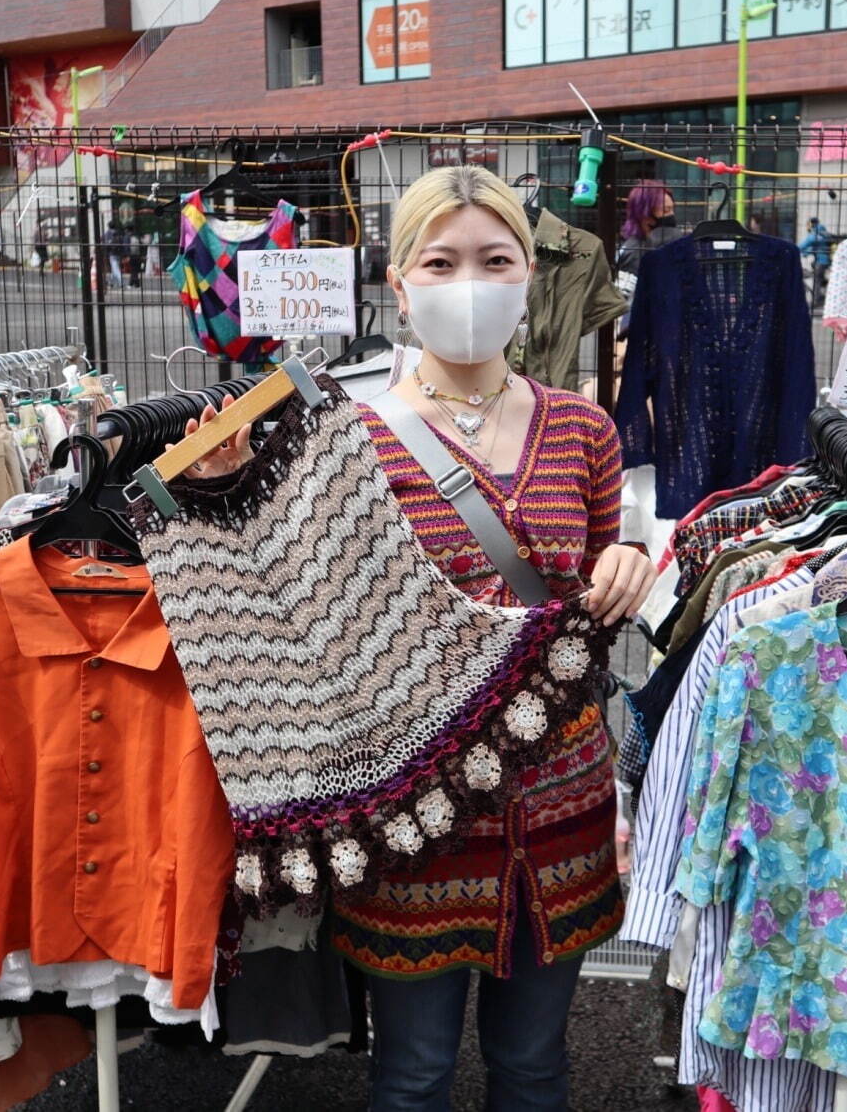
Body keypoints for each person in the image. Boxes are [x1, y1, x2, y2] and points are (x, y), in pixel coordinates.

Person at [177, 165, 654, 1112]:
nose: (469, 281)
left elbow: (602, 583)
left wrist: (629, 563)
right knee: (412, 1077)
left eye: (494, 258)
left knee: (534, 1069)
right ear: (400, 284)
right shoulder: (345, 437)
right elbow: (291, 623)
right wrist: (220, 500)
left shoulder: (583, 431)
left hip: (560, 809)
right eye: (441, 261)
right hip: (412, 826)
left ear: (529, 277)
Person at [615, 180, 681, 341]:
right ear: (645, 214)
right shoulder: (635, 251)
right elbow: (621, 302)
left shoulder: (650, 245)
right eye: (665, 210)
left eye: (672, 209)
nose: (671, 216)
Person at [799, 215, 833, 310]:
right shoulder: (823, 233)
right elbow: (815, 247)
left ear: (811, 224)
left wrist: (794, 250)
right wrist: (805, 253)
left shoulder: (815, 234)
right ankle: (823, 295)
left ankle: (817, 300)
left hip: (821, 261)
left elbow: (805, 244)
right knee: (820, 279)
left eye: (808, 225)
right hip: (825, 260)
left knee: (817, 280)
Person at [104, 218, 125, 287]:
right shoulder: (118, 232)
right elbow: (122, 242)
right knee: (114, 268)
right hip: (118, 252)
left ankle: (121, 282)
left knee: (115, 268)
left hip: (112, 253)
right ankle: (111, 282)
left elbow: (106, 243)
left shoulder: (108, 233)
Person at [128, 224, 145, 289]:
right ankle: (134, 283)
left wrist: (127, 255)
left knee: (133, 270)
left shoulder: (129, 237)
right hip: (138, 255)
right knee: (135, 270)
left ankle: (135, 284)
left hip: (132, 255)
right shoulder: (137, 237)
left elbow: (127, 247)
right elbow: (142, 246)